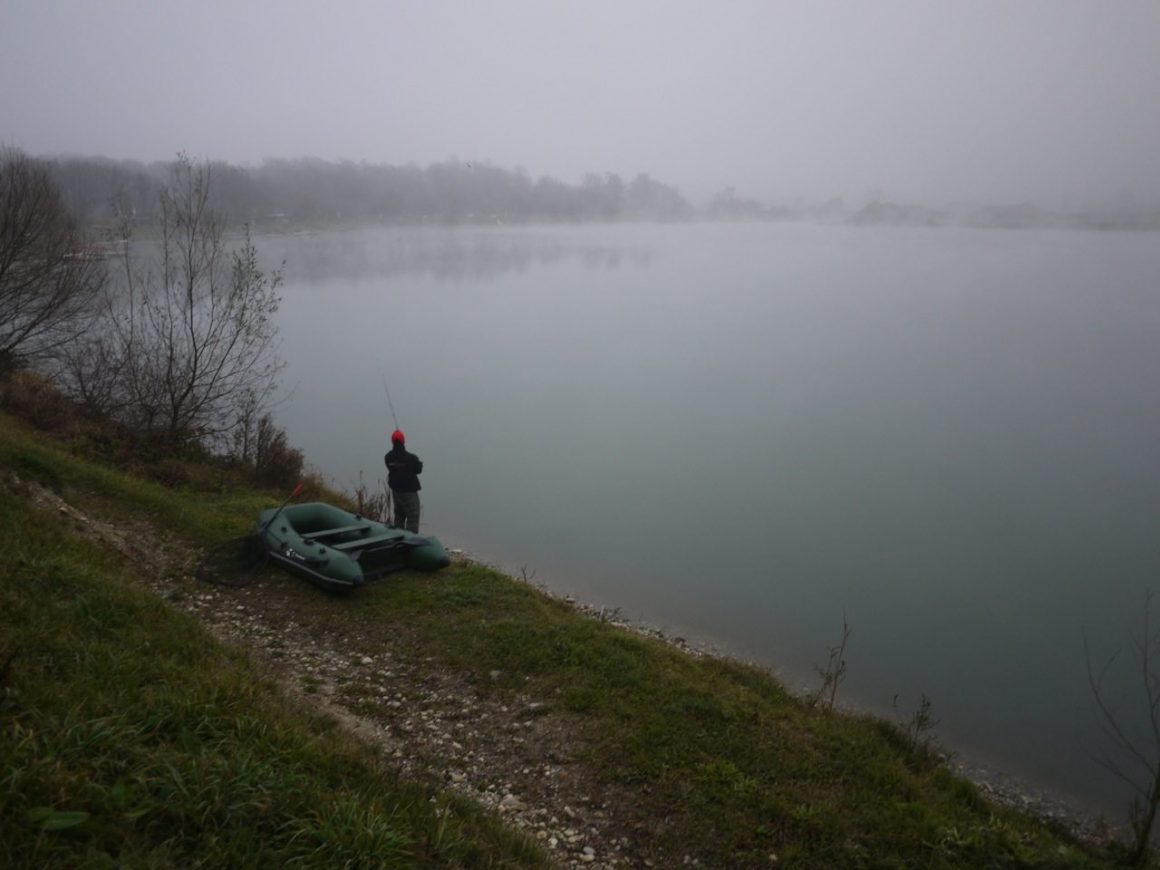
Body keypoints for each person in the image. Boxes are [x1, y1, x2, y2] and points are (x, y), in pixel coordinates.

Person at [384, 429, 423, 532]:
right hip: (409, 492)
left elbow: (391, 467)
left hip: (396, 492)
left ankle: (398, 538)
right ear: (403, 441)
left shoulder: (388, 457)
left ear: (392, 441)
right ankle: (410, 541)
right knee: (413, 516)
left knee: (399, 516)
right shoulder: (411, 458)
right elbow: (418, 469)